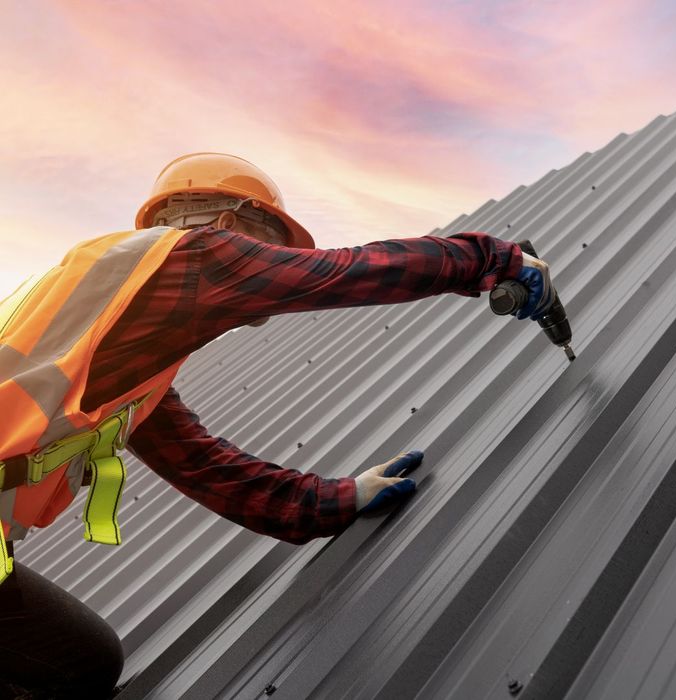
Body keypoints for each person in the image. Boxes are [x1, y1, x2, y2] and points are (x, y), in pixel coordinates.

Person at [0, 152, 553, 698]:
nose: (270, 260)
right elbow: (342, 273)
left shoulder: (106, 328)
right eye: (268, 244)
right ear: (227, 224)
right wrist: (493, 259)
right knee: (77, 664)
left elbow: (199, 463)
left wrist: (329, 501)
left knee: (81, 661)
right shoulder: (189, 256)